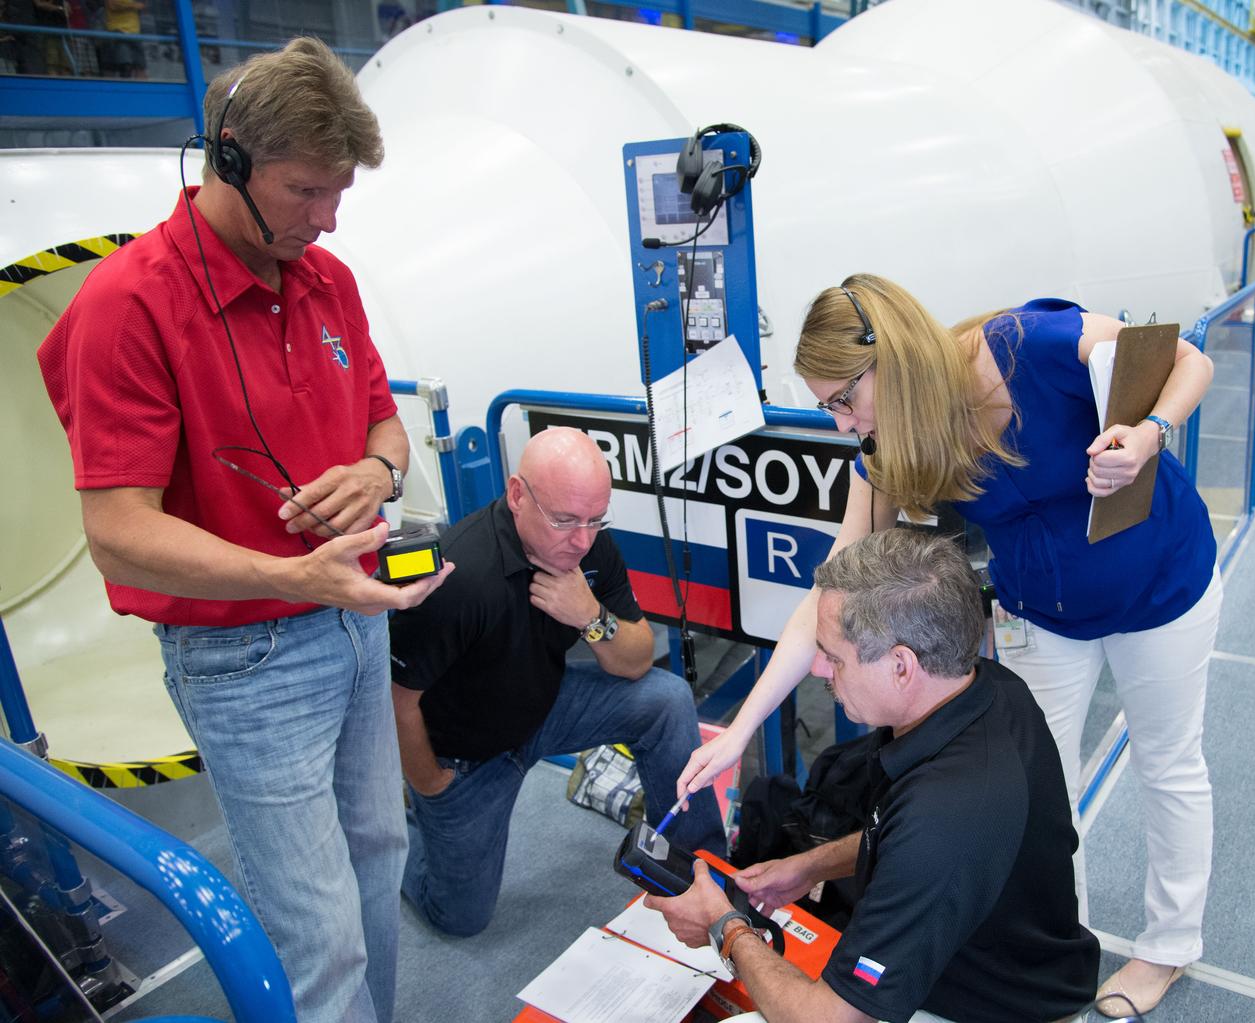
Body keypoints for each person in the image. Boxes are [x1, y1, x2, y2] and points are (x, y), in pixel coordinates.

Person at [37, 38, 451, 1023]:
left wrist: (375, 468)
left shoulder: (326, 279)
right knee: (316, 930)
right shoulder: (126, 306)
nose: (327, 217)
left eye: (339, 193)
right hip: (245, 661)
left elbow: (383, 418)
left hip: (354, 625)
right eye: (307, 192)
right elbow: (119, 533)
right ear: (228, 158)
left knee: (378, 862)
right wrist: (296, 576)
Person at [678, 274, 1219, 1017]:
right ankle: (1064, 946)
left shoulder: (1025, 345)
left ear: (888, 359)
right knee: (1036, 791)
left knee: (1168, 760)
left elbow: (1191, 360)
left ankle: (1167, 945)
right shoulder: (885, 446)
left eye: (842, 398)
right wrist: (738, 729)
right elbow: (828, 593)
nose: (839, 423)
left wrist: (1151, 430)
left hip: (1159, 581)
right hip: (1046, 608)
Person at [651, 530, 1100, 1023]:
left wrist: (725, 927)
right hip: (1003, 967)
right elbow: (899, 835)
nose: (820, 668)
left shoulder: (947, 815)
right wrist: (807, 867)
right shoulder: (992, 692)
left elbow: (831, 1020)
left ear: (902, 666)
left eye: (835, 657)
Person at [389, 426, 725, 937]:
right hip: (468, 754)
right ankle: (407, 832)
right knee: (460, 918)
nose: (583, 539)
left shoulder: (591, 548)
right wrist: (431, 786)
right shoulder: (459, 577)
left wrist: (591, 616)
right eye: (565, 520)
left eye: (596, 519)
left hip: (543, 707)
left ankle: (697, 867)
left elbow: (634, 660)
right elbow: (394, 699)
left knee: (666, 698)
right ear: (517, 494)